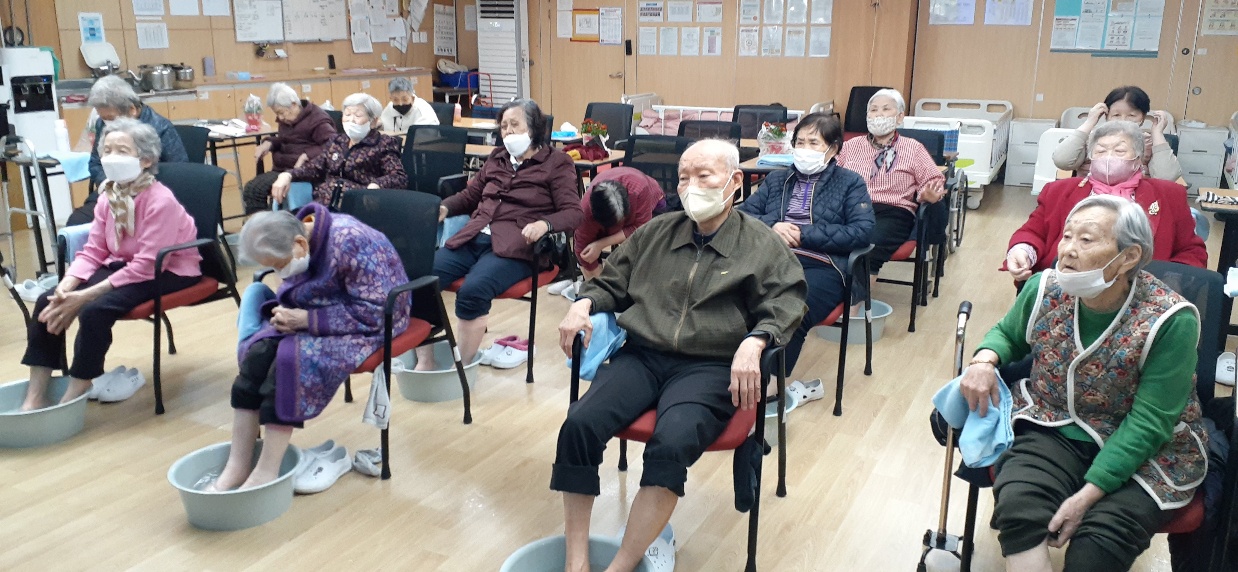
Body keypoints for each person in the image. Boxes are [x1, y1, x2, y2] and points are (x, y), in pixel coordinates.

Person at [552, 139, 808, 572]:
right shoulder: (657, 232)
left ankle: (621, 566)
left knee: (670, 445)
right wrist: (584, 303)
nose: (691, 187)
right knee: (578, 425)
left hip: (711, 365)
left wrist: (756, 339)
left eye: (704, 176)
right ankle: (576, 562)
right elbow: (612, 282)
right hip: (643, 355)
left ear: (735, 181)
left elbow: (788, 300)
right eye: (684, 177)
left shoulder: (761, 244)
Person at [961, 195, 1206, 571]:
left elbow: (1150, 422)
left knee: (1098, 547)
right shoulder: (1044, 287)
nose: (1068, 251)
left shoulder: (1170, 319)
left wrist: (1087, 497)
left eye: (1086, 240)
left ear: (1128, 257)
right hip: (1055, 424)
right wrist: (984, 360)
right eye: (1066, 236)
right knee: (1020, 510)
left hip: (1148, 449)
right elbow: (1008, 334)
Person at [210, 203, 409, 490]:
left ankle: (266, 471)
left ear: (300, 244)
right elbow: (297, 287)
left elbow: (375, 311)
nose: (279, 272)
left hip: (375, 321)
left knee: (290, 363)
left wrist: (307, 319)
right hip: (321, 309)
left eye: (278, 265)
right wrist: (291, 313)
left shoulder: (352, 241)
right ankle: (238, 464)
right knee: (258, 354)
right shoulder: (296, 235)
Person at [20, 119, 201, 410]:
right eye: (107, 150)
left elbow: (147, 265)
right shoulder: (110, 196)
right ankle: (35, 395)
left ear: (145, 160)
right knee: (47, 301)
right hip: (125, 265)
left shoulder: (160, 201)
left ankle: (79, 385)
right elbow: (94, 250)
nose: (111, 157)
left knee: (95, 309)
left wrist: (84, 296)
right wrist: (67, 286)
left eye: (122, 151)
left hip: (169, 270)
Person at [419, 99, 582, 369]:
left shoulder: (557, 163)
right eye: (504, 126)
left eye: (515, 124)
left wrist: (545, 224)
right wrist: (444, 208)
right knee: (421, 279)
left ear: (534, 128)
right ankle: (426, 361)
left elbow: (574, 213)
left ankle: (462, 368)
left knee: (473, 290)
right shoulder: (498, 157)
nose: (508, 131)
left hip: (518, 246)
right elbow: (471, 195)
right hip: (474, 236)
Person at [738, 113, 874, 404]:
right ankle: (733, 368)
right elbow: (742, 216)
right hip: (771, 259)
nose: (804, 149)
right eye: (799, 142)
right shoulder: (777, 179)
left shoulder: (850, 183)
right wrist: (772, 227)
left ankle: (770, 385)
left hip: (824, 265)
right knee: (732, 296)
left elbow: (862, 232)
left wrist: (804, 234)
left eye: (814, 143)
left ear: (833, 149)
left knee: (791, 307)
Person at [1004, 121, 1206, 284]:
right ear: (1090, 158)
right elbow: (1033, 232)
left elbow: (1192, 251)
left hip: (1142, 291)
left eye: (1120, 151)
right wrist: (1022, 251)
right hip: (1068, 285)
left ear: (1138, 160)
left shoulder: (1169, 195)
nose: (1108, 157)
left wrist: (1170, 280)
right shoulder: (1058, 191)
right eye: (1100, 151)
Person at [836, 88, 945, 273]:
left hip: (892, 213)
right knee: (824, 240)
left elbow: (933, 179)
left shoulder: (913, 148)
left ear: (900, 117)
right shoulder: (849, 146)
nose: (879, 114)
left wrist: (928, 194)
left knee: (866, 249)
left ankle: (857, 291)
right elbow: (830, 175)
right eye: (873, 110)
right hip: (850, 209)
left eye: (886, 109)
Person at [66, 75, 188, 226]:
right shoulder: (102, 124)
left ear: (132, 110)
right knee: (78, 221)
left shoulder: (161, 128)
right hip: (112, 191)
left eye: (111, 118)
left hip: (148, 194)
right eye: (103, 118)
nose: (107, 123)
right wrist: (108, 183)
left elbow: (179, 171)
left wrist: (136, 187)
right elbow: (95, 163)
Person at [270, 93, 407, 207]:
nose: (351, 120)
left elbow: (398, 177)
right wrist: (287, 175)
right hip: (323, 203)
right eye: (347, 114)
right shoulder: (337, 141)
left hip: (356, 206)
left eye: (357, 115)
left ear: (373, 121)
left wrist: (376, 185)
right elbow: (316, 166)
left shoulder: (383, 144)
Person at [242, 83, 338, 214]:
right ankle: (266, 221)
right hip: (283, 168)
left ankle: (264, 223)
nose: (280, 118)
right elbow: (286, 140)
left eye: (281, 112)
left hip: (303, 171)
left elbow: (334, 145)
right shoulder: (288, 120)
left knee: (256, 190)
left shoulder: (317, 120)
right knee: (252, 189)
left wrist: (307, 154)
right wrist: (269, 143)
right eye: (277, 113)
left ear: (293, 105)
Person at [1053, 85, 1182, 181]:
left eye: (1131, 115)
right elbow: (1062, 161)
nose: (1123, 121)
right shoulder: (1090, 139)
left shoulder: (1149, 142)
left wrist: (1157, 134)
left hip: (1136, 199)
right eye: (1116, 115)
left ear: (1143, 118)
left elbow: (1167, 177)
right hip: (1092, 197)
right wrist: (1089, 122)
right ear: (1106, 115)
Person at [573, 166, 665, 281]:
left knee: (651, 251)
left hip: (652, 204)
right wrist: (600, 284)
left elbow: (641, 230)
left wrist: (600, 244)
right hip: (603, 219)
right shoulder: (585, 212)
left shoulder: (639, 190)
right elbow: (582, 251)